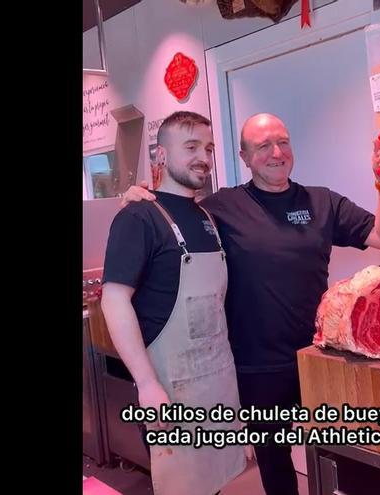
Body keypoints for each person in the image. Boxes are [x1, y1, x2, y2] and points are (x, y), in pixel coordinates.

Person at [119, 113, 380, 495]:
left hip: (319, 358)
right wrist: (138, 196)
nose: (276, 152)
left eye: (282, 142)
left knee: (343, 454)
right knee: (275, 464)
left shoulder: (322, 201)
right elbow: (172, 214)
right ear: (244, 157)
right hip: (256, 367)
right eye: (262, 146)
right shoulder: (218, 208)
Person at [101, 111, 246, 495]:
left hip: (216, 384)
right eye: (191, 146)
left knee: (216, 484)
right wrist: (147, 385)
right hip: (171, 390)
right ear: (161, 155)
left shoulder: (208, 218)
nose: (204, 156)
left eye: (209, 148)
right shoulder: (138, 216)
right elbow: (114, 301)